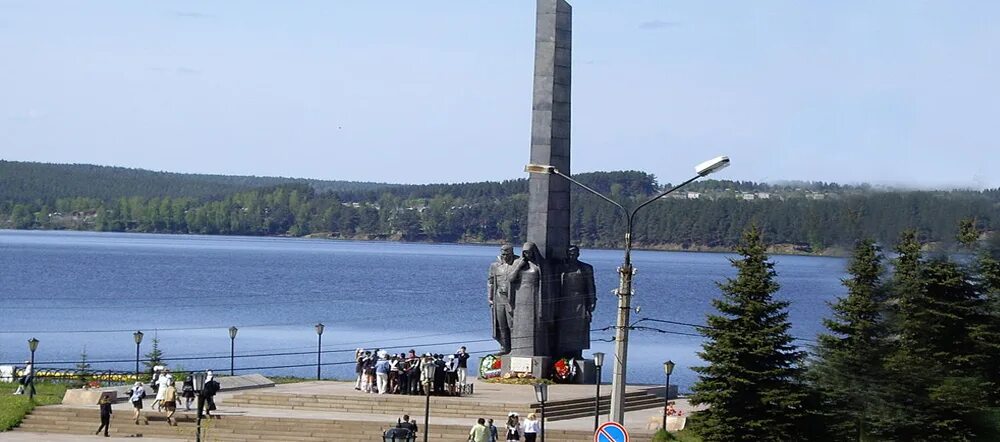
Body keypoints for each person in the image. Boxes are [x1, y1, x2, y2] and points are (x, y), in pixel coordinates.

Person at [557, 245, 597, 358]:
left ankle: (577, 352)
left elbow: (591, 286)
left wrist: (592, 301)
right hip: (564, 302)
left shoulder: (585, 268)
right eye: (570, 253)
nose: (572, 255)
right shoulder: (561, 268)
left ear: (578, 254)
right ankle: (563, 352)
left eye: (574, 253)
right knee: (564, 328)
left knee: (579, 328)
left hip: (580, 301)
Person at [510, 242, 547, 356]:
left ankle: (534, 350)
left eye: (529, 252)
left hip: (534, 295)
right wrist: (519, 266)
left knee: (534, 323)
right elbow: (511, 279)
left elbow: (544, 283)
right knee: (519, 323)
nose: (527, 254)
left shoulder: (539, 265)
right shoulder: (518, 263)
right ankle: (517, 349)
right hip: (521, 295)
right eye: (525, 252)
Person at [488, 244, 517, 354]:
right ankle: (504, 347)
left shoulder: (516, 264)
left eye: (507, 254)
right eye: (503, 254)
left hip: (511, 299)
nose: (505, 256)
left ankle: (515, 347)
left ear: (512, 253)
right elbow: (490, 282)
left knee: (512, 324)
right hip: (498, 298)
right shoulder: (495, 266)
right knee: (501, 324)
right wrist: (490, 297)